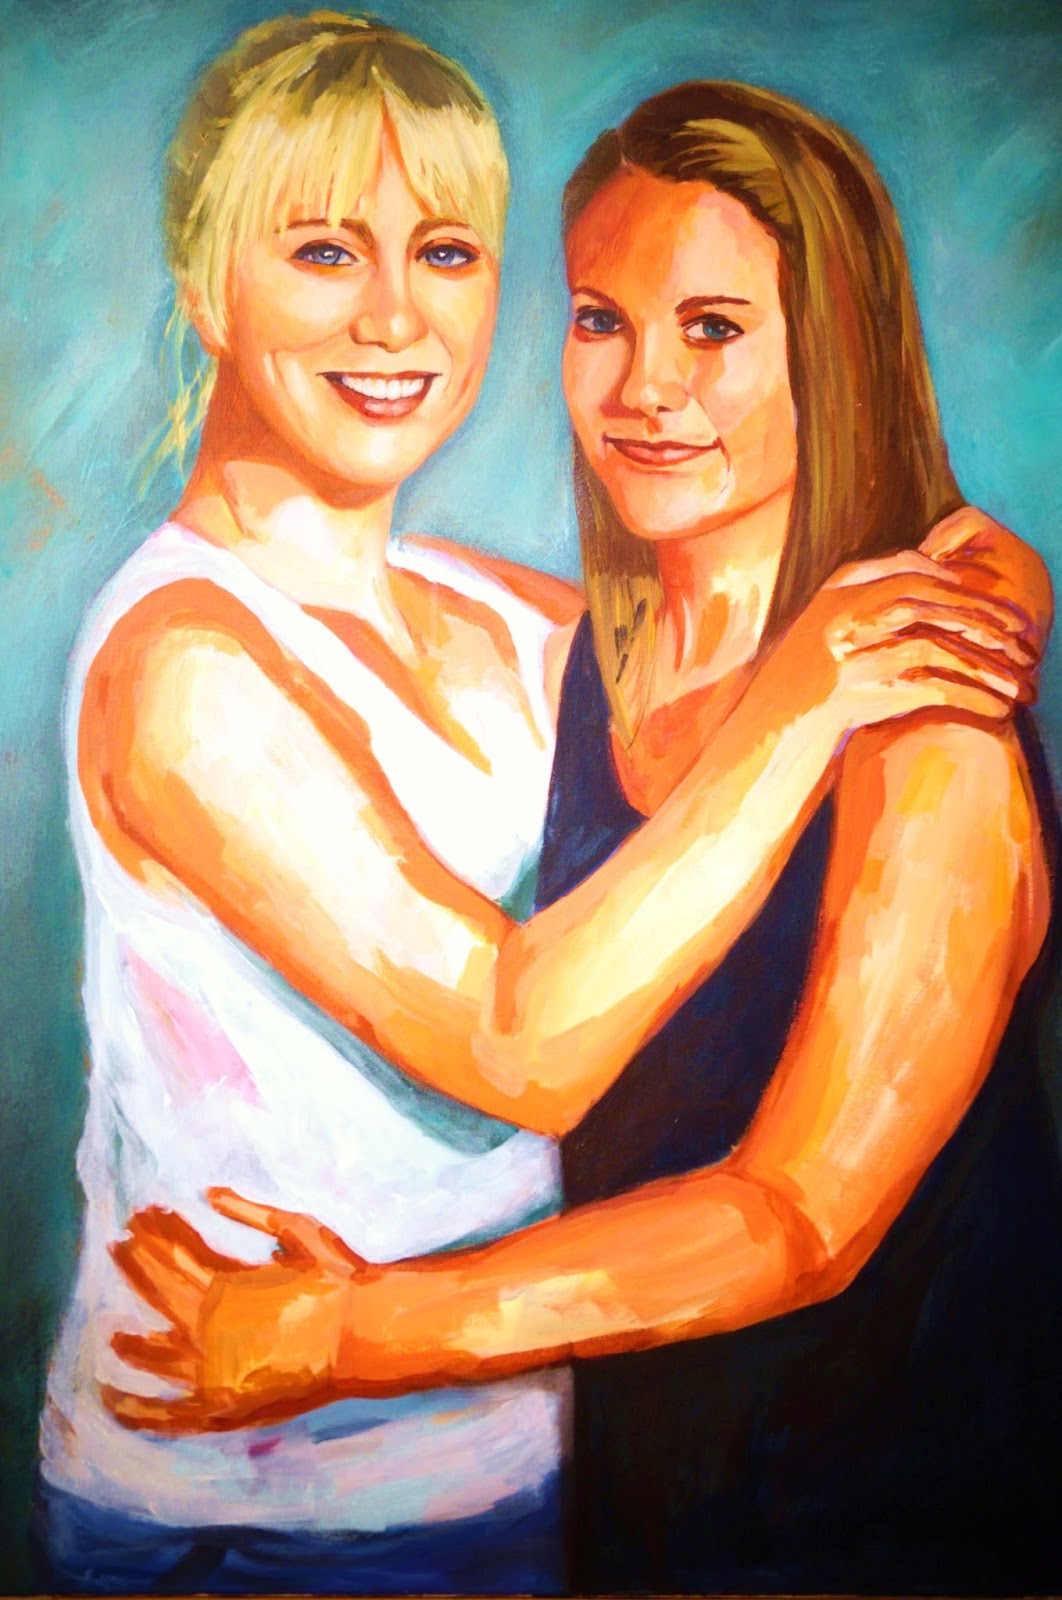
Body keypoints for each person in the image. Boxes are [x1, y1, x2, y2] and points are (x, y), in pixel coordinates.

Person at [50, 25, 1052, 1598]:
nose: (395, 317)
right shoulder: (187, 667)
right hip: (252, 1505)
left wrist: (973, 590)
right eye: (322, 250)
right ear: (204, 284)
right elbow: (518, 1041)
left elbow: (799, 1207)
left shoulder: (521, 631)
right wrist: (819, 684)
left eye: (446, 253)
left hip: (608, 1496)